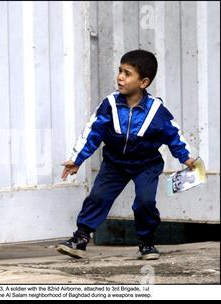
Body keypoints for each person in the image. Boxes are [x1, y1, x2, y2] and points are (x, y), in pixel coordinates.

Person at [57, 49, 195, 260]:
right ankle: (81, 237)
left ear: (144, 82)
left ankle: (147, 243)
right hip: (115, 163)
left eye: (127, 73)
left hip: (146, 164)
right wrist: (77, 159)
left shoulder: (156, 110)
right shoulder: (110, 104)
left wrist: (186, 157)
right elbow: (92, 132)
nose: (120, 77)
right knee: (98, 197)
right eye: (120, 71)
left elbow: (173, 135)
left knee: (145, 202)